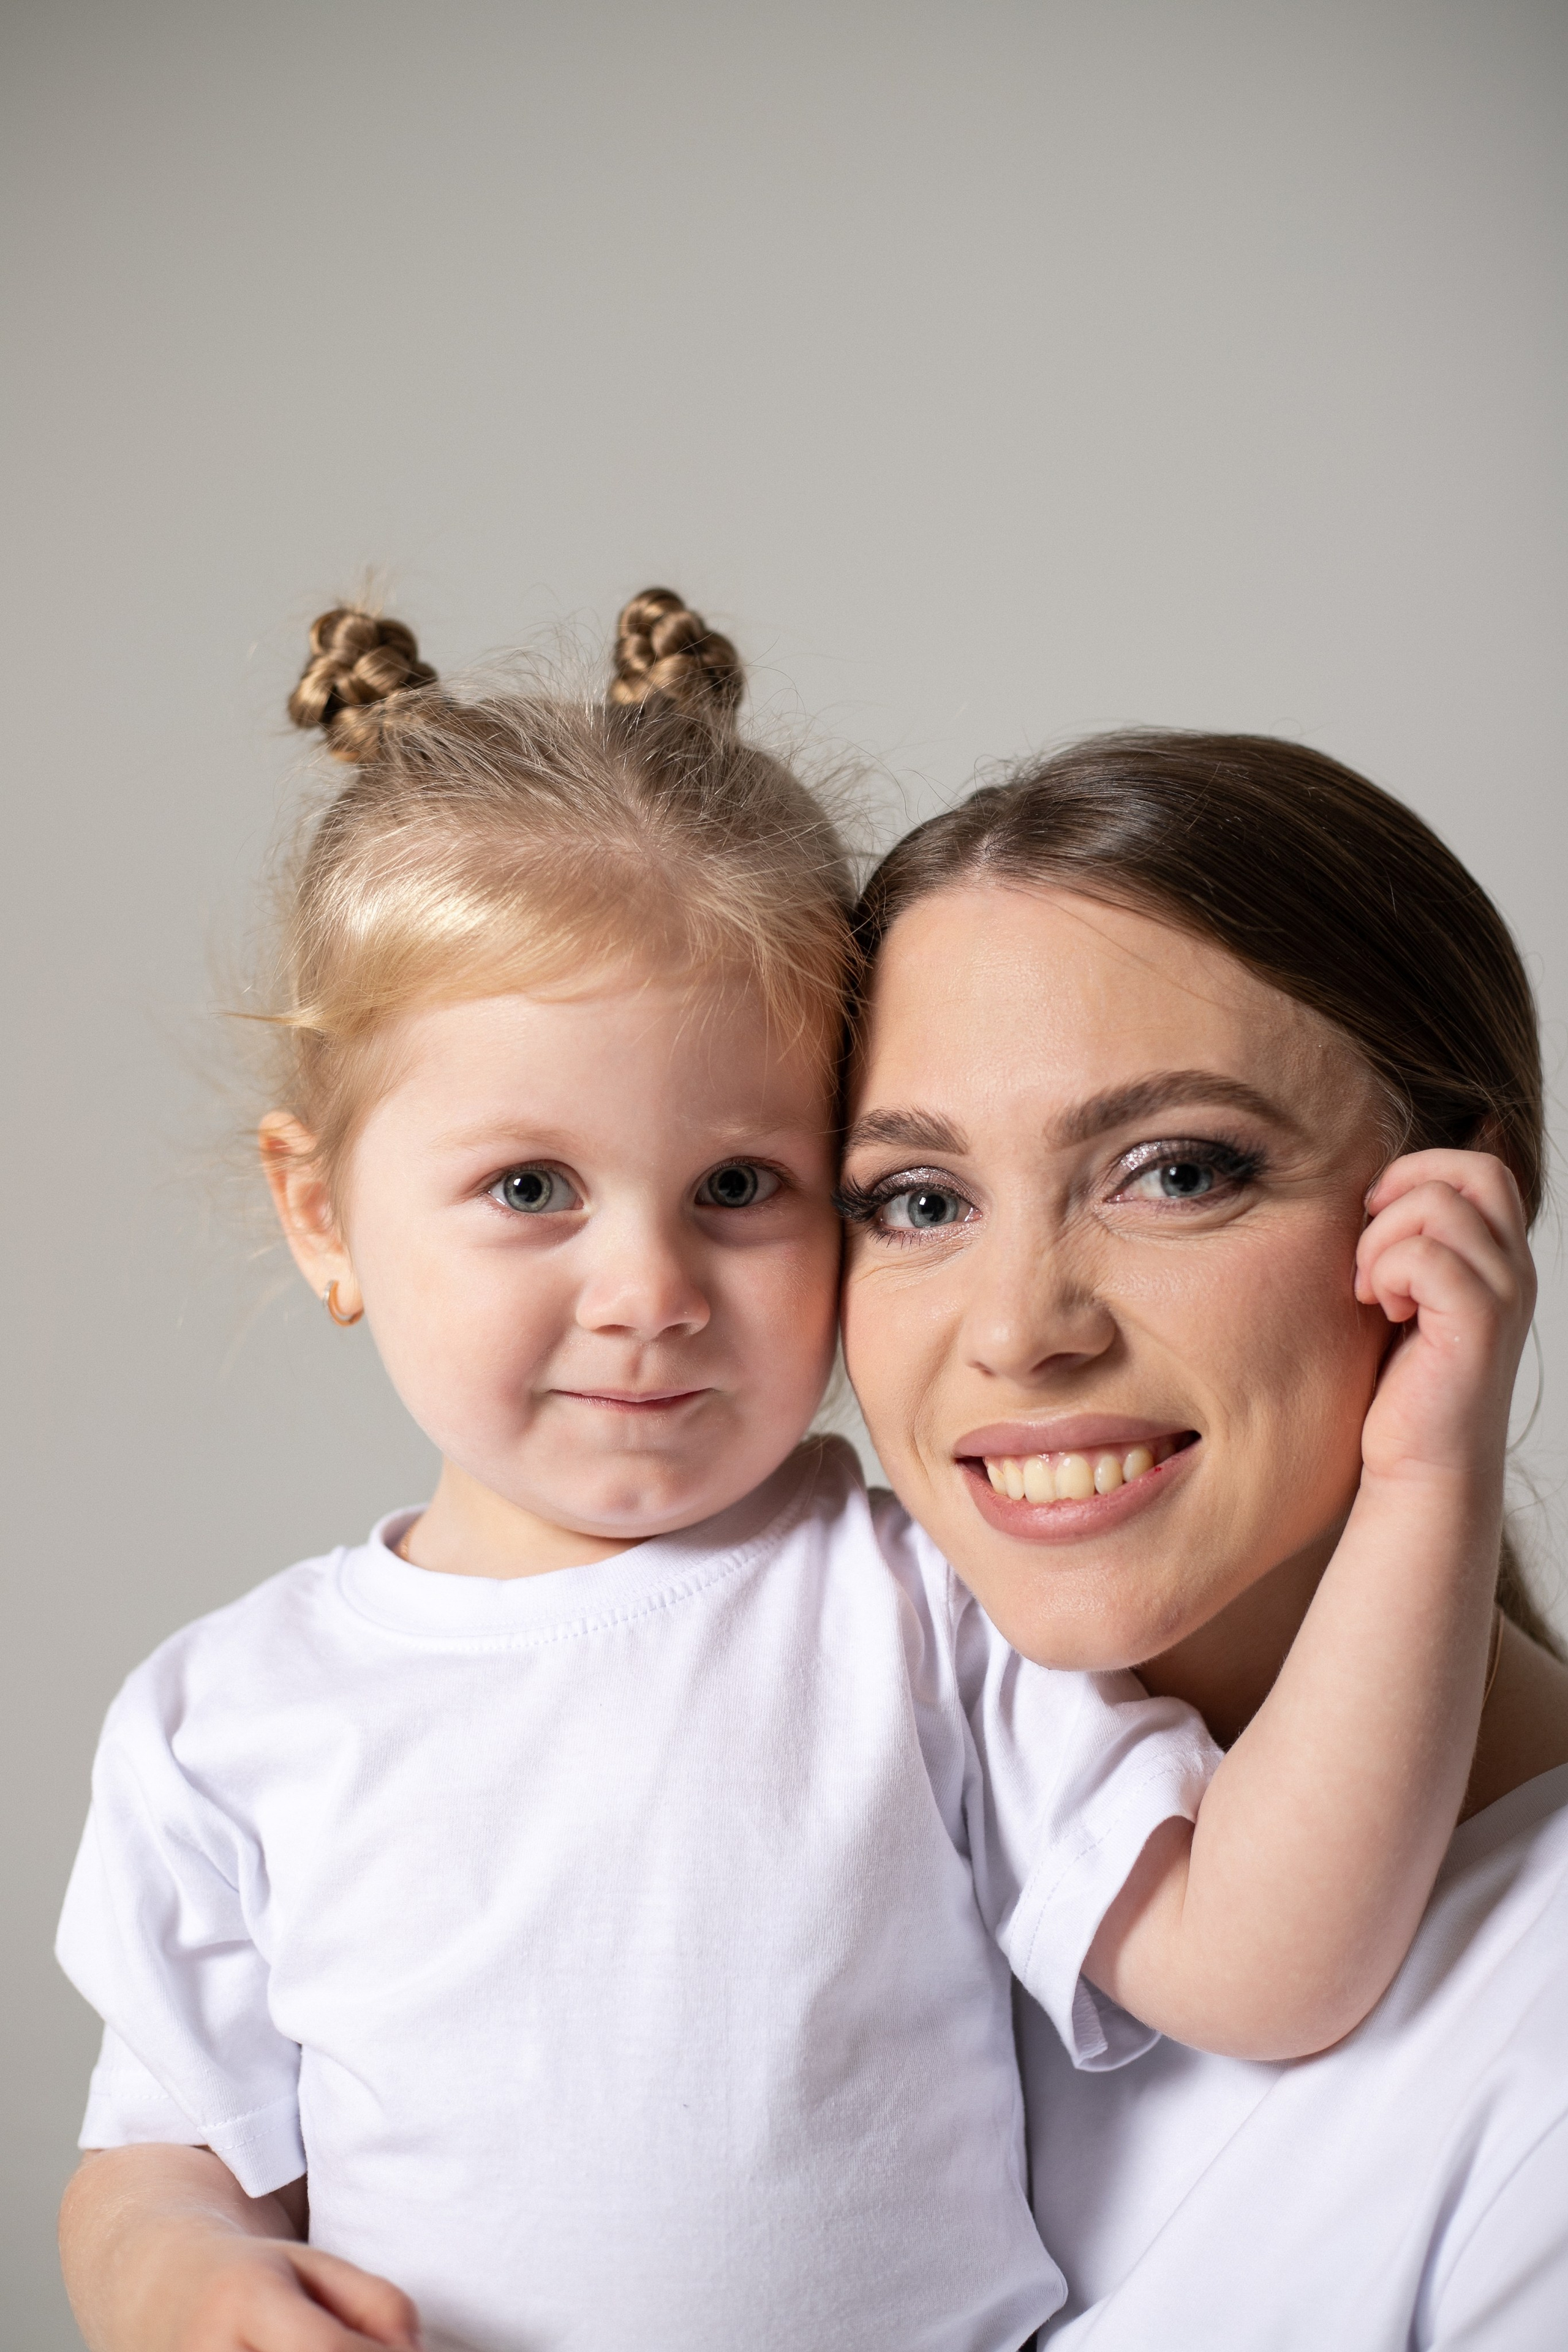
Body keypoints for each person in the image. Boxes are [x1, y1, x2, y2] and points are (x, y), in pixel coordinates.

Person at [54, 602, 1523, 2352]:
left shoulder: (916, 1607)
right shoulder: (224, 1720)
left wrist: (1423, 1478)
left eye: (741, 1187)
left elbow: (1274, 1964)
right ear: (321, 1216)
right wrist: (181, 2278)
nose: (649, 1290)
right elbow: (162, 2151)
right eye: (530, 1189)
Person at [839, 728, 1568, 2350]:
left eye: (1174, 1172)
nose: (1019, 1329)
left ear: (1469, 1209)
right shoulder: (856, 1848)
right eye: (918, 1200)